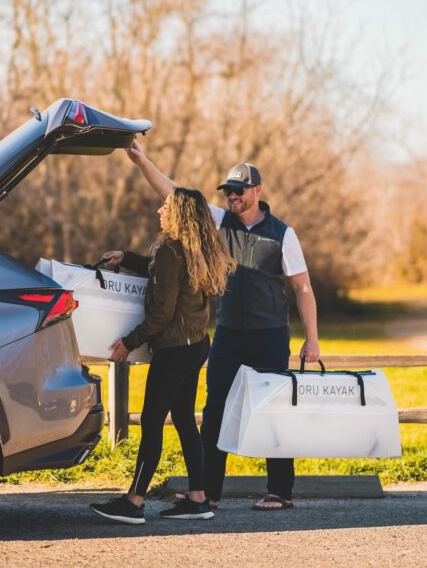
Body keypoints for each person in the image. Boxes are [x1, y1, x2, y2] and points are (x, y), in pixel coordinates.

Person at [121, 140, 320, 512]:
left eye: (239, 192)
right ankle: (207, 493)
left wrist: (313, 339)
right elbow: (175, 195)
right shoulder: (217, 222)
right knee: (214, 412)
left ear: (257, 192)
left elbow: (303, 287)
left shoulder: (283, 234)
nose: (232, 197)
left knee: (273, 410)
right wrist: (142, 161)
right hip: (227, 334)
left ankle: (280, 491)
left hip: (269, 335)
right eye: (228, 192)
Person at [89, 187, 233, 525]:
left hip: (174, 350)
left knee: (152, 421)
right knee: (183, 419)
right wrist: (127, 258)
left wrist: (130, 341)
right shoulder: (195, 249)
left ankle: (134, 501)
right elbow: (162, 275)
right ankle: (198, 498)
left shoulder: (172, 249)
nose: (159, 210)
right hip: (196, 345)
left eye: (166, 206)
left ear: (179, 213)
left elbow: (162, 311)